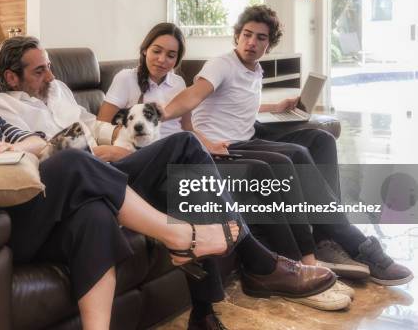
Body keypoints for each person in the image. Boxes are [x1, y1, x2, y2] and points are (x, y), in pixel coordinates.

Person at [0, 42, 249, 330]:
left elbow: (35, 143)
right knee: (73, 162)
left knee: (94, 214)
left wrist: (12, 148)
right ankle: (181, 236)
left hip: (38, 210)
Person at [0, 37, 338, 329]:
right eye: (39, 70)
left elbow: (93, 123)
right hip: (79, 182)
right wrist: (100, 153)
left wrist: (121, 141)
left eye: (49, 65)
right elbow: (42, 155)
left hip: (109, 164)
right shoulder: (2, 107)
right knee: (184, 147)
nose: (50, 74)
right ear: (12, 78)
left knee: (184, 178)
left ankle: (203, 313)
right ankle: (258, 263)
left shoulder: (59, 89)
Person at [97, 22, 354, 311]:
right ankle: (288, 268)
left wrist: (206, 145)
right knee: (254, 170)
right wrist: (120, 151)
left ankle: (296, 264)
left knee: (259, 170)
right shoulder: (125, 79)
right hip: (147, 160)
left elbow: (188, 129)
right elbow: (103, 126)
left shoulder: (179, 84)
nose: (162, 60)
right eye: (156, 51)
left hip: (182, 156)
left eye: (171, 55)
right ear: (145, 49)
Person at [161, 5, 413, 287]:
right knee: (297, 155)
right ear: (237, 36)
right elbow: (193, 96)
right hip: (225, 146)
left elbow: (241, 104)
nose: (252, 42)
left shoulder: (255, 69)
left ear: (269, 44)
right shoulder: (220, 64)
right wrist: (160, 114)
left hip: (248, 135)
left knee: (321, 140)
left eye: (260, 38)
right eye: (246, 35)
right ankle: (351, 240)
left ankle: (325, 236)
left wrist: (276, 106)